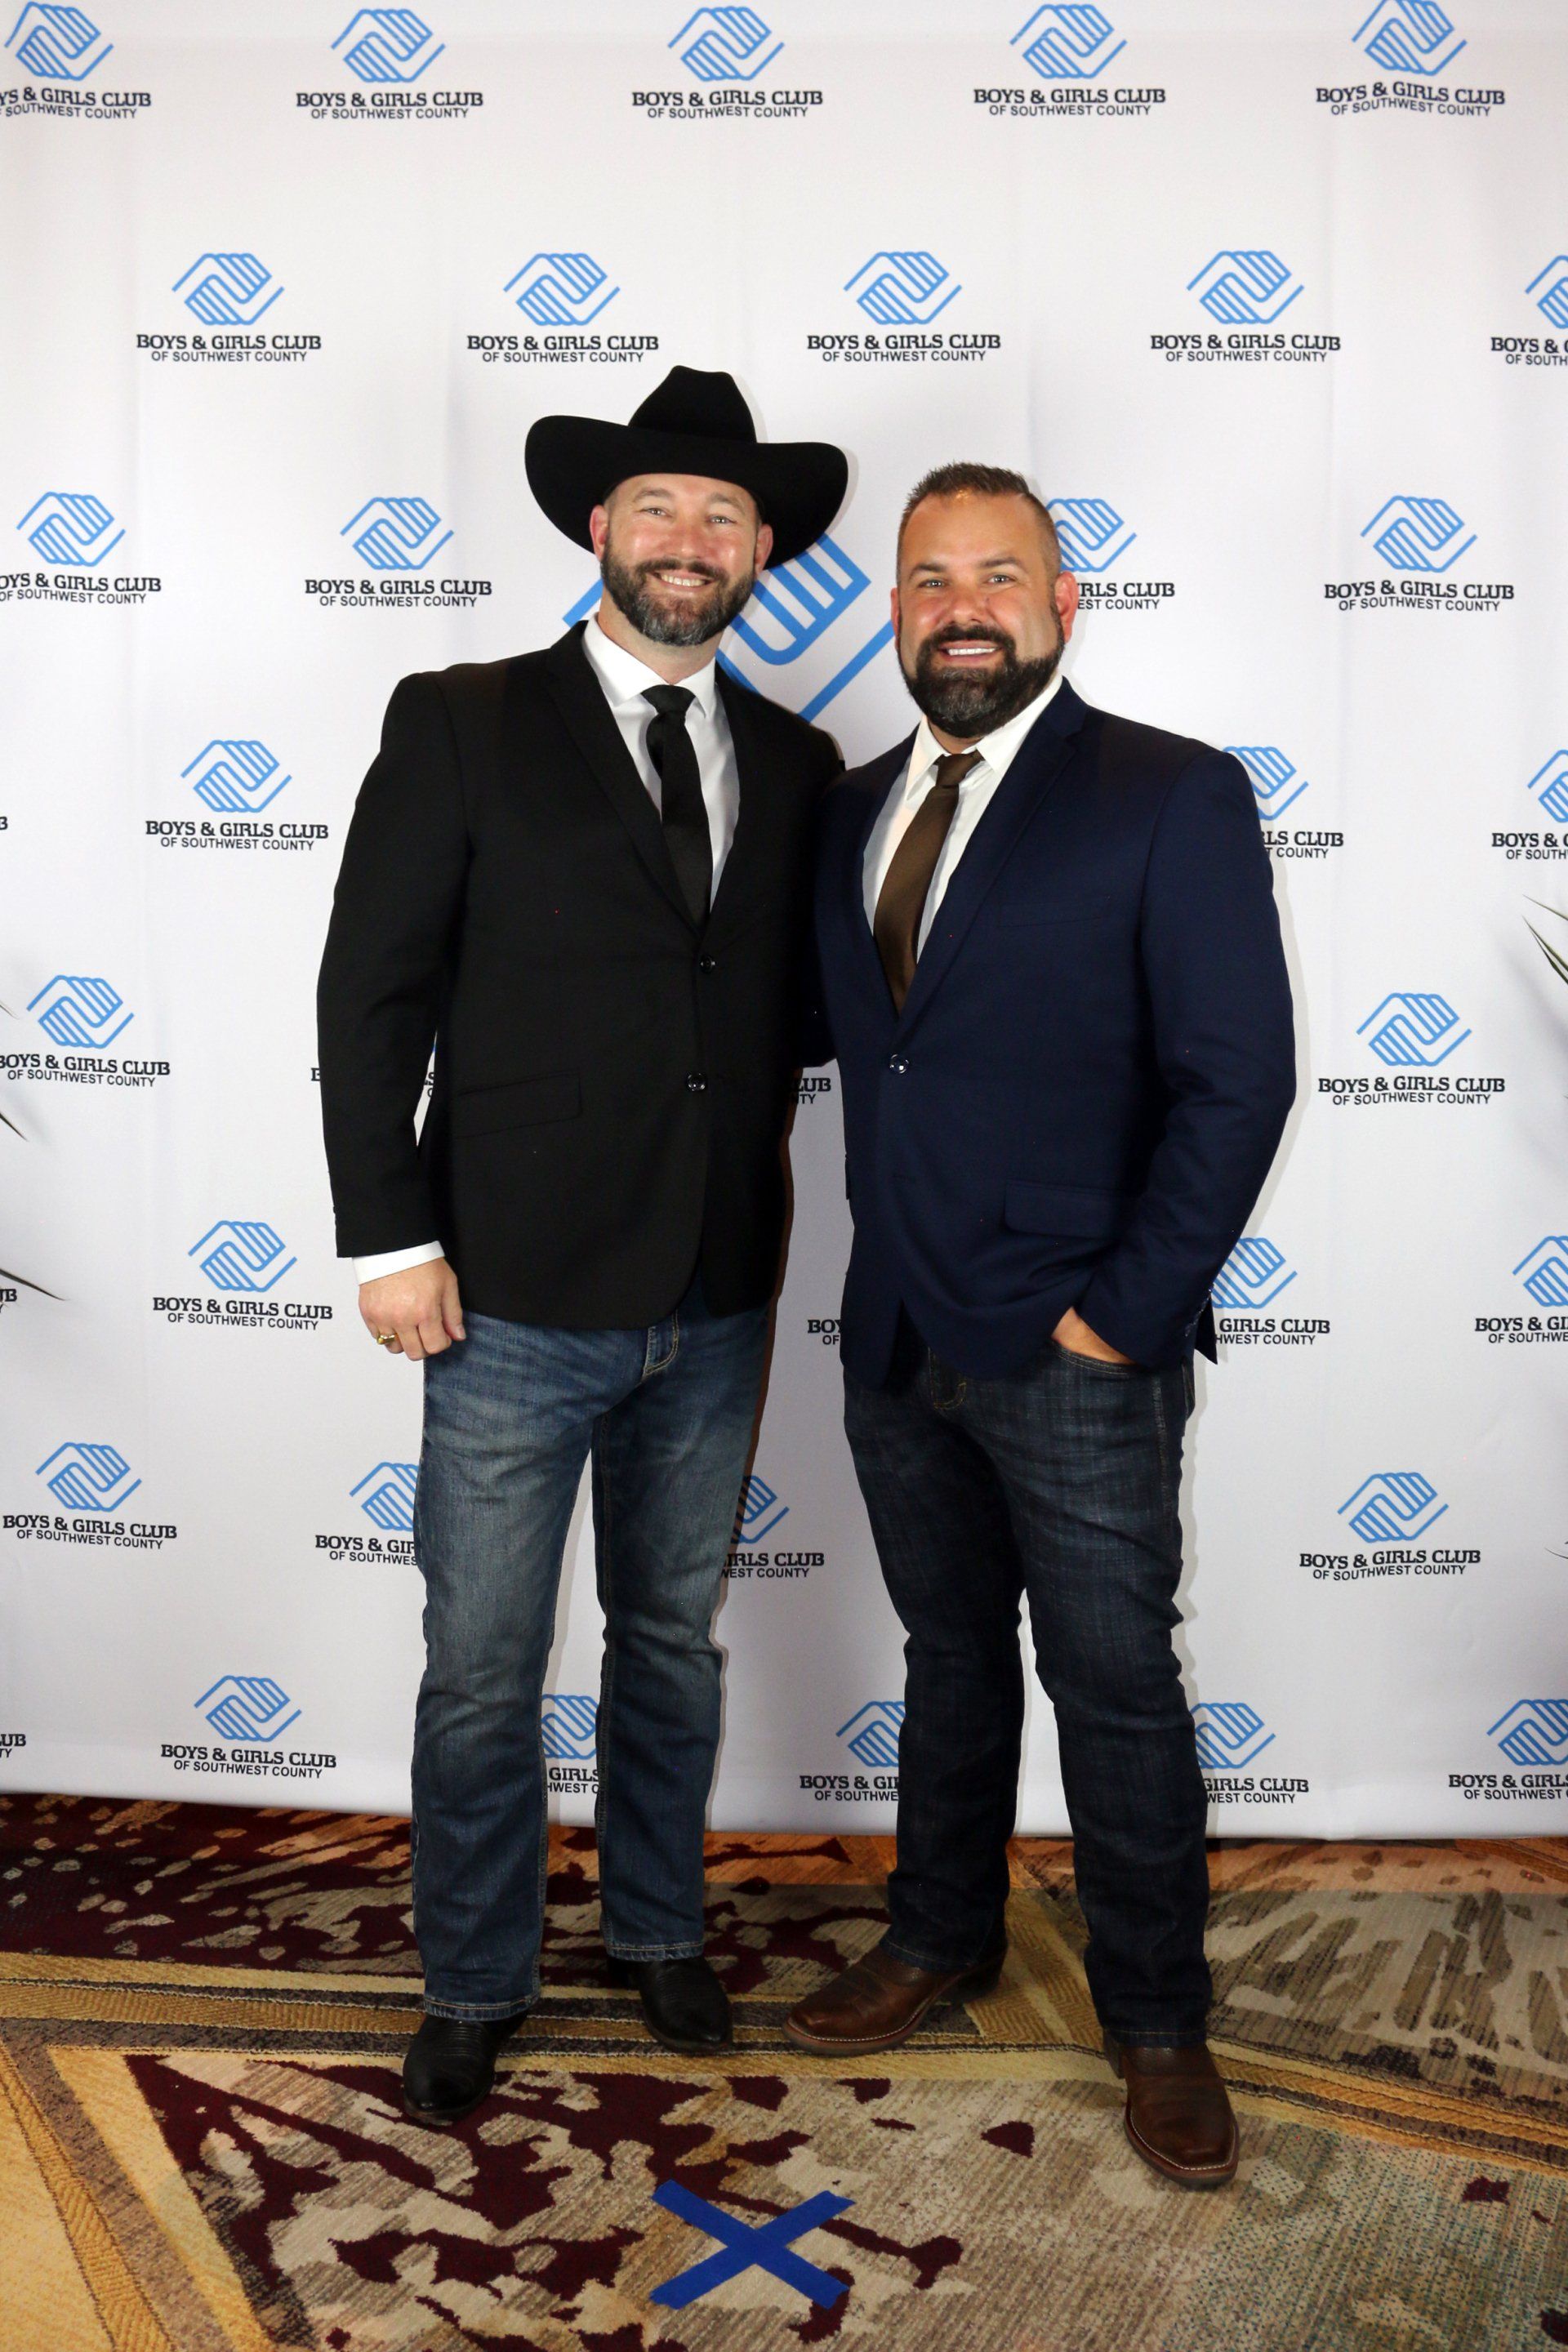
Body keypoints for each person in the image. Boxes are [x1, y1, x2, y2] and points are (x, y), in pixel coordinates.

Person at [317, 368, 846, 2123]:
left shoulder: (798, 762)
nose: (689, 541)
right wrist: (388, 1238)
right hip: (507, 1297)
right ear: (600, 528)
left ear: (761, 550)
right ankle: (474, 1980)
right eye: (659, 509)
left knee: (670, 1642)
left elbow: (792, 1009)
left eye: (723, 516)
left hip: (717, 1291)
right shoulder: (462, 718)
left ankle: (657, 1928)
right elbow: (371, 994)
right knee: (481, 1668)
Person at [786, 463, 1295, 2189]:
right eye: (931, 580)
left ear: (1064, 604)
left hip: (1078, 1345)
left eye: (999, 576)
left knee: (1117, 1687)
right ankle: (942, 1934)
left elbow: (1236, 1081)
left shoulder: (1168, 792)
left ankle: (1157, 2019)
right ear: (895, 611)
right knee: (948, 1660)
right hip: (894, 1331)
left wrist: (1118, 1320)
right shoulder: (850, 810)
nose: (964, 609)